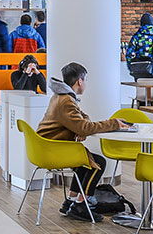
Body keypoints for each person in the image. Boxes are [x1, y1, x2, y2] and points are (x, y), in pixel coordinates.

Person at [36, 62, 129, 219]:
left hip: (48, 147)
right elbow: (84, 126)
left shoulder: (61, 97)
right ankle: (81, 205)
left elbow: (82, 120)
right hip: (53, 150)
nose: (86, 84)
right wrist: (114, 123)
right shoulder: (66, 101)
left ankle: (72, 200)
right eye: (86, 80)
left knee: (85, 164)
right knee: (98, 164)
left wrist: (80, 128)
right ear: (80, 81)